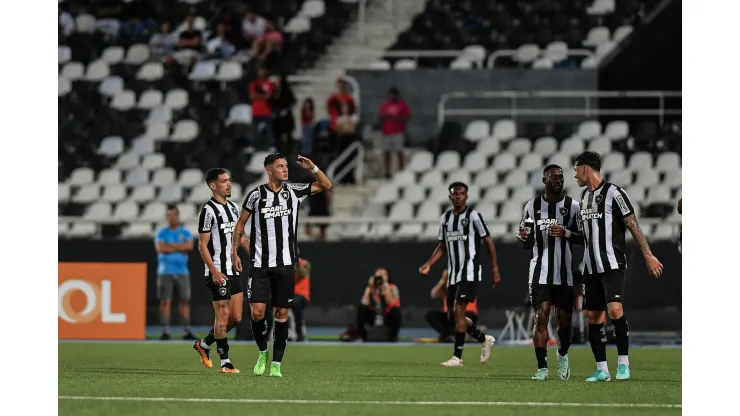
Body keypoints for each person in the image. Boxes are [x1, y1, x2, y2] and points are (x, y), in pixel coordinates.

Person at [232, 153, 332, 377]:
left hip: (286, 265)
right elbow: (240, 224)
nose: (285, 169)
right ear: (269, 170)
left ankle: (276, 363)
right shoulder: (256, 195)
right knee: (257, 313)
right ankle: (262, 352)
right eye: (280, 166)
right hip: (259, 265)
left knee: (281, 313)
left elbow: (326, 185)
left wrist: (313, 167)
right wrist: (234, 253)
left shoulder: (294, 191)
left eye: (286, 166)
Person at [568, 151, 663, 382]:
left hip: (612, 264)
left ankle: (623, 364)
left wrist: (648, 255)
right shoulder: (583, 197)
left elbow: (633, 225)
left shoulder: (615, 193)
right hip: (590, 267)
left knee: (615, 310)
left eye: (576, 170)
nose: (575, 175)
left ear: (586, 169)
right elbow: (586, 234)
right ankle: (602, 369)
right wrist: (567, 233)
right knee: (594, 317)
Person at [419, 182, 500, 367]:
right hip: (453, 274)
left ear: (466, 196)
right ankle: (483, 338)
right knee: (453, 317)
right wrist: (428, 264)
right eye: (455, 194)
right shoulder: (446, 218)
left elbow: (488, 242)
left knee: (460, 311)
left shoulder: (473, 216)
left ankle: (457, 357)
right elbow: (442, 246)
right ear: (450, 197)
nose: (458, 196)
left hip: (470, 272)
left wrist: (495, 269)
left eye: (462, 193)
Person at [516, 165, 583, 381]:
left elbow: (584, 238)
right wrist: (523, 237)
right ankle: (542, 367)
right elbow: (526, 241)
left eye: (561, 177)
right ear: (544, 180)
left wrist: (566, 233)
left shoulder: (572, 206)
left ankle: (562, 354)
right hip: (539, 272)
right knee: (540, 316)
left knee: (564, 324)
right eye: (554, 177)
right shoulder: (532, 206)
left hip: (564, 273)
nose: (559, 180)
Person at [191, 168, 250, 374]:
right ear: (213, 185)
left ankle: (204, 344)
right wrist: (214, 271)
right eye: (224, 181)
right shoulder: (207, 211)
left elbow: (239, 237)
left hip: (233, 270)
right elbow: (202, 245)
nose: (229, 184)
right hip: (217, 271)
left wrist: (244, 255)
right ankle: (225, 363)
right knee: (223, 315)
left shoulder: (234, 208)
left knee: (236, 318)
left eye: (229, 180)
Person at [154, 206, 196, 341]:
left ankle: (186, 330)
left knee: (184, 301)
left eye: (174, 215)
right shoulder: (161, 233)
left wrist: (170, 246)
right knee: (165, 301)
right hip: (165, 272)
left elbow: (189, 246)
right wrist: (179, 246)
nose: (171, 218)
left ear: (178, 216)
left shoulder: (185, 232)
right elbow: (161, 248)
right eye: (169, 216)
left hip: (182, 271)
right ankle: (165, 330)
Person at [426, 269, 478, 342]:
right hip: (451, 316)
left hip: (467, 314)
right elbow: (433, 294)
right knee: (430, 315)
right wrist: (443, 280)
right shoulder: (447, 284)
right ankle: (449, 334)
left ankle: (457, 334)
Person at [357, 268, 402, 342]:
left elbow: (392, 303)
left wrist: (386, 290)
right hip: (373, 314)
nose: (380, 278)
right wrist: (369, 287)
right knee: (361, 309)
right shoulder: (370, 288)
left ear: (387, 277)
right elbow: (364, 302)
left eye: (382, 275)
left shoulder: (392, 287)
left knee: (395, 311)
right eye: (378, 275)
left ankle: (393, 337)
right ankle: (362, 336)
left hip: (387, 315)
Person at [378, 86, 411, 178]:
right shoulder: (385, 105)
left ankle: (401, 170)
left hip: (398, 132)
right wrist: (387, 116)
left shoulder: (402, 105)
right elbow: (381, 116)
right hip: (387, 132)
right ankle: (387, 172)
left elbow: (407, 117)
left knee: (399, 152)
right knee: (386, 152)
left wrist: (396, 118)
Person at [292, 255, 311, 342]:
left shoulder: (305, 263)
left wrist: (297, 264)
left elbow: (303, 274)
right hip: (287, 294)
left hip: (301, 295)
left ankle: (299, 334)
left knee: (296, 303)